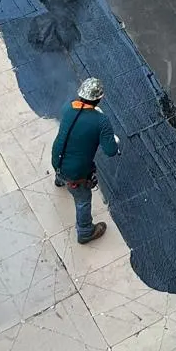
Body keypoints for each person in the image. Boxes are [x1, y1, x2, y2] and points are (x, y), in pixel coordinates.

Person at [51, 77, 121, 244]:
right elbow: (111, 150)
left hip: (57, 159)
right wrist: (111, 139)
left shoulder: (68, 108)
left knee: (63, 167)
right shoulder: (101, 121)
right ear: (99, 98)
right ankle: (85, 231)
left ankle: (59, 180)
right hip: (76, 173)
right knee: (83, 200)